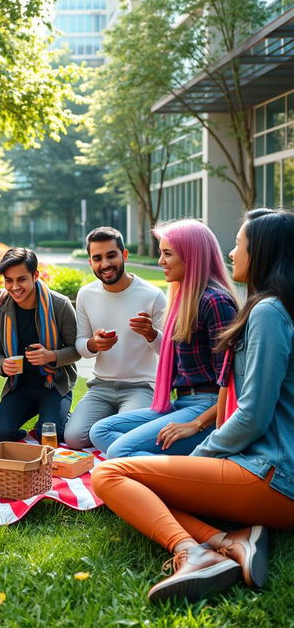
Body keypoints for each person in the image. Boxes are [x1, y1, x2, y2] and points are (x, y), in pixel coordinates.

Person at [91, 209, 294, 603]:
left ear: (263, 252)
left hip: (273, 476)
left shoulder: (268, 312)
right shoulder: (271, 307)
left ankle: (194, 552)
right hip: (271, 472)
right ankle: (228, 541)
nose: (232, 253)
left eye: (239, 244)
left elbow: (252, 414)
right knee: (132, 474)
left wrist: (201, 457)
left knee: (110, 475)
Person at [89, 219, 238, 458]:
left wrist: (196, 424)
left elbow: (232, 382)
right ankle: (172, 464)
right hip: (182, 402)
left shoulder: (215, 301)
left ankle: (183, 472)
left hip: (208, 407)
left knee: (120, 450)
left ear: (192, 256)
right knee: (101, 430)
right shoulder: (184, 299)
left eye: (167, 253)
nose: (160, 262)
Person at [64, 227, 167, 450]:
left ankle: (128, 420)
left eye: (111, 255)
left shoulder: (153, 295)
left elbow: (169, 351)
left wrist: (151, 334)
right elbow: (81, 345)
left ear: (124, 255)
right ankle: (112, 420)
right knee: (73, 438)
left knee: (125, 436)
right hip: (102, 386)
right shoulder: (86, 294)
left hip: (141, 387)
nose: (105, 264)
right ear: (90, 262)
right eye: (97, 258)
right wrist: (93, 343)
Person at [0, 248, 80, 442]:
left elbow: (77, 350)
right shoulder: (0, 308)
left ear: (35, 275)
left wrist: (51, 356)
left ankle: (61, 416)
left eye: (21, 279)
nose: (14, 287)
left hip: (53, 384)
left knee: (49, 435)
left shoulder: (60, 304)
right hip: (20, 386)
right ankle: (42, 419)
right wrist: (2, 365)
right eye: (8, 280)